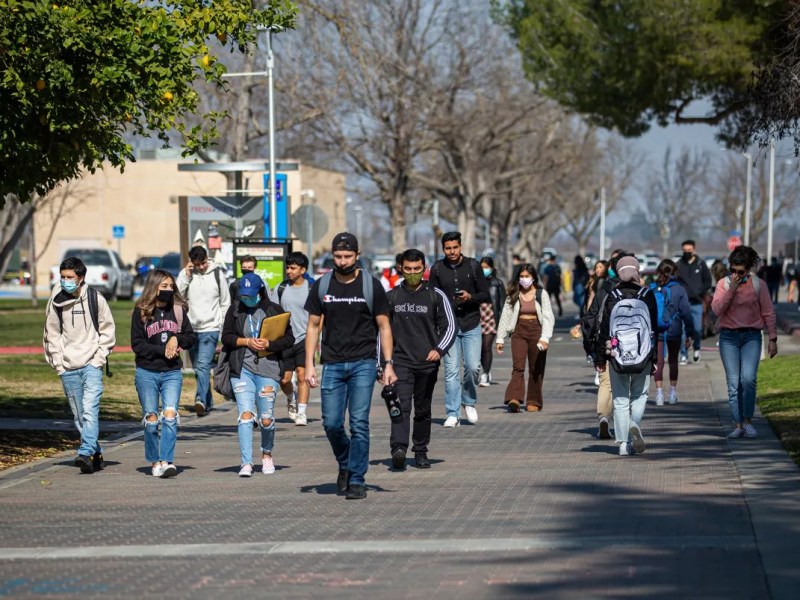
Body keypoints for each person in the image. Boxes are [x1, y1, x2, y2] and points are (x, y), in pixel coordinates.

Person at [304, 232, 397, 500]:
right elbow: (312, 327)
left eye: (347, 256)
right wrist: (309, 364)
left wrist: (387, 364)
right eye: (338, 256)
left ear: (357, 256)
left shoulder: (371, 285)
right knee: (331, 423)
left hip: (363, 364)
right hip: (332, 364)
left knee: (359, 422)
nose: (342, 261)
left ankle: (357, 478)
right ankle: (345, 463)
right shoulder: (322, 286)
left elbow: (384, 326)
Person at [44, 257, 116, 474]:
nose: (65, 281)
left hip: (92, 365)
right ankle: (96, 452)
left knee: (90, 411)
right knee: (79, 415)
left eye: (70, 277)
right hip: (68, 366)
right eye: (63, 277)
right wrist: (59, 363)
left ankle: (85, 452)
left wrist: (99, 359)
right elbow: (52, 333)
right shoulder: (56, 300)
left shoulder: (96, 299)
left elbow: (107, 330)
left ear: (81, 278)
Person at [387, 249, 457, 470]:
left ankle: (420, 450)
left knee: (423, 408)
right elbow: (382, 332)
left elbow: (450, 326)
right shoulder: (392, 297)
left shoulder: (436, 295)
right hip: (400, 361)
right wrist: (383, 364)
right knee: (401, 405)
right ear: (401, 268)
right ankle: (398, 448)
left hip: (427, 362)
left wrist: (439, 349)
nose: (412, 273)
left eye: (417, 269)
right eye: (408, 269)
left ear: (424, 269)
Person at [221, 272, 294, 477]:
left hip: (268, 369)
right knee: (245, 416)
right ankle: (246, 462)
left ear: (260, 292)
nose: (247, 298)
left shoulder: (274, 310)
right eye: (243, 294)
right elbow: (226, 337)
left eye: (251, 294)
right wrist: (246, 342)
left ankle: (267, 455)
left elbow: (289, 339)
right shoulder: (234, 310)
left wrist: (270, 344)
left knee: (266, 418)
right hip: (242, 369)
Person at [131, 269, 196, 478]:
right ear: (154, 287)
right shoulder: (141, 311)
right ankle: (154, 461)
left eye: (171, 286)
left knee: (170, 415)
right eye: (164, 286)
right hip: (147, 372)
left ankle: (167, 461)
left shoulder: (177, 310)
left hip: (171, 373)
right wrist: (163, 350)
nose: (168, 290)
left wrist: (177, 339)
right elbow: (137, 345)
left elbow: (190, 336)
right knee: (151, 419)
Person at [712, 246, 778, 439]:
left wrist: (772, 338)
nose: (736, 274)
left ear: (748, 269)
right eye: (732, 270)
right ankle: (738, 423)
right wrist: (731, 289)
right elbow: (716, 309)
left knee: (748, 379)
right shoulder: (723, 284)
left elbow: (768, 312)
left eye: (740, 272)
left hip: (751, 336)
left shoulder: (759, 285)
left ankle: (748, 421)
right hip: (729, 337)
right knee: (733, 383)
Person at [594, 256, 658, 456]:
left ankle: (622, 444)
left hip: (616, 355)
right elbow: (654, 329)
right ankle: (635, 425)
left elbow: (603, 328)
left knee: (620, 399)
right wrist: (654, 358)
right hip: (643, 355)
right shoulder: (647, 295)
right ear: (637, 270)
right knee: (640, 395)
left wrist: (600, 359)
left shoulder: (612, 295)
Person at [428, 231, 491, 427]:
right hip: (448, 327)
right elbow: (432, 297)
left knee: (473, 367)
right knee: (451, 371)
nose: (452, 251)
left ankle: (469, 401)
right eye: (448, 248)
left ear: (460, 247)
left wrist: (470, 297)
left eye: (455, 247)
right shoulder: (437, 268)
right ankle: (452, 412)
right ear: (443, 249)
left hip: (471, 323)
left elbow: (485, 295)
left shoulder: (473, 266)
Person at [176, 245, 231, 416]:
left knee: (203, 365)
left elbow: (225, 302)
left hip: (211, 328)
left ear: (208, 259)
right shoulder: (187, 275)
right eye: (197, 264)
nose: (201, 267)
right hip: (192, 328)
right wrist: (185, 275)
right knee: (199, 369)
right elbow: (177, 293)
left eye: (203, 263)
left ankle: (200, 398)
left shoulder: (217, 274)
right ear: (191, 262)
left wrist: (221, 326)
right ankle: (208, 401)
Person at [581, 250, 628, 440]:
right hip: (629, 345)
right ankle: (625, 424)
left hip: (604, 342)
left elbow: (591, 316)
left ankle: (603, 418)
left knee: (605, 383)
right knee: (627, 384)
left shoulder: (604, 288)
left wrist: (588, 342)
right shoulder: (635, 289)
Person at [496, 264, 555, 412]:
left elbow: (548, 317)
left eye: (527, 276)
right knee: (518, 366)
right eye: (521, 276)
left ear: (533, 277)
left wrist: (545, 338)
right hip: (519, 332)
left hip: (537, 331)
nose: (524, 279)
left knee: (536, 367)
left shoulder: (542, 294)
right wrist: (500, 338)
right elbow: (505, 316)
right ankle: (514, 399)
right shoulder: (513, 294)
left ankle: (534, 401)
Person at [650, 260, 695, 406]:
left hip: (657, 330)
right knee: (673, 361)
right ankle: (673, 393)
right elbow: (686, 312)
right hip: (674, 329)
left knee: (659, 362)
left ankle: (659, 394)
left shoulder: (653, 288)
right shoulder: (679, 289)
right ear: (674, 271)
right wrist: (689, 332)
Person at [276, 251, 313, 426]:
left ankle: (302, 412)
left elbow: (318, 317)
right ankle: (291, 398)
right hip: (285, 340)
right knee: (284, 379)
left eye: (293, 268)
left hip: (305, 339)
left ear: (303, 269)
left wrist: (317, 337)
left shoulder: (311, 289)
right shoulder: (281, 288)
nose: (289, 271)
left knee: (302, 375)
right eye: (287, 268)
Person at [676, 240, 712, 364]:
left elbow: (708, 281)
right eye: (685, 251)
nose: (687, 253)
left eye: (689, 250)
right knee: (683, 330)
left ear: (694, 250)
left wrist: (700, 291)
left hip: (697, 302)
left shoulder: (701, 264)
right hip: (683, 304)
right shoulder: (679, 265)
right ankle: (684, 354)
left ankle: (697, 348)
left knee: (697, 329)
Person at [479, 256, 506, 387]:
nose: (484, 270)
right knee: (479, 348)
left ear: (491, 268)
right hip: (478, 316)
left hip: (491, 316)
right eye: (482, 267)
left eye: (486, 267)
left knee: (486, 346)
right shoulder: (475, 282)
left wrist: (503, 321)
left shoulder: (497, 283)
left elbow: (503, 303)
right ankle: (486, 370)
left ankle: (485, 374)